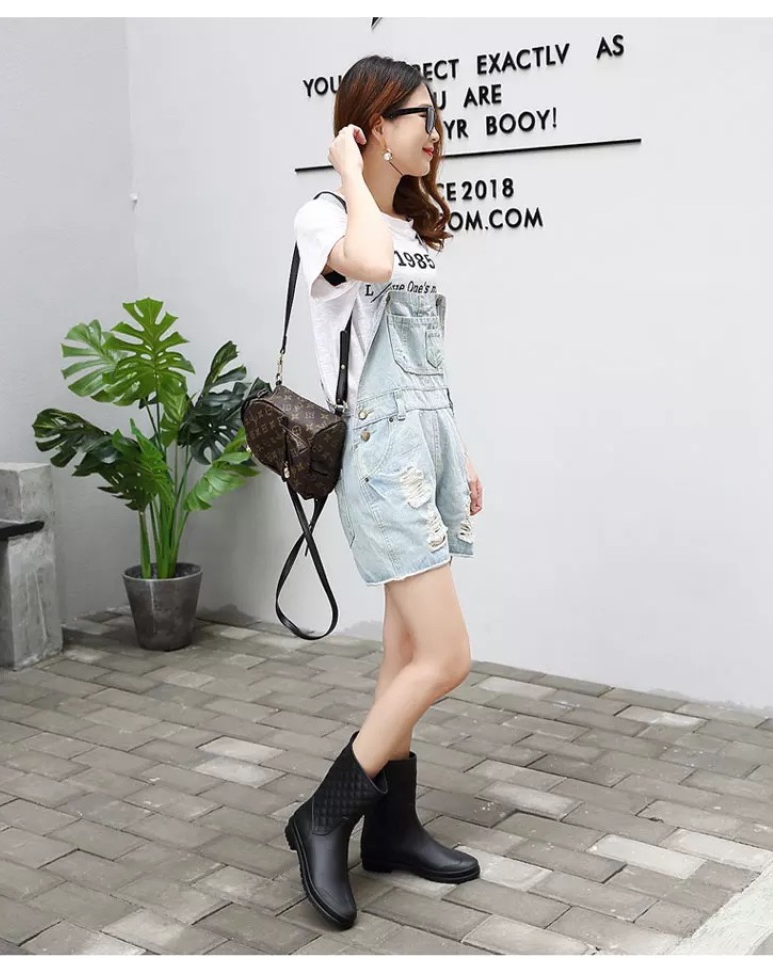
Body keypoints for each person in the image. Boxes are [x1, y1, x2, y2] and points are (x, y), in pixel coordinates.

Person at [286, 54, 484, 931]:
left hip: (426, 448)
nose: (437, 133)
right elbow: (364, 263)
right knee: (447, 656)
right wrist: (347, 171)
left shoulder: (413, 226)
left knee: (405, 657)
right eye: (421, 117)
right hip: (379, 455)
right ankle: (322, 818)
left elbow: (431, 358)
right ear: (373, 127)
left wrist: (460, 455)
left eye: (439, 118)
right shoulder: (329, 217)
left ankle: (393, 829)